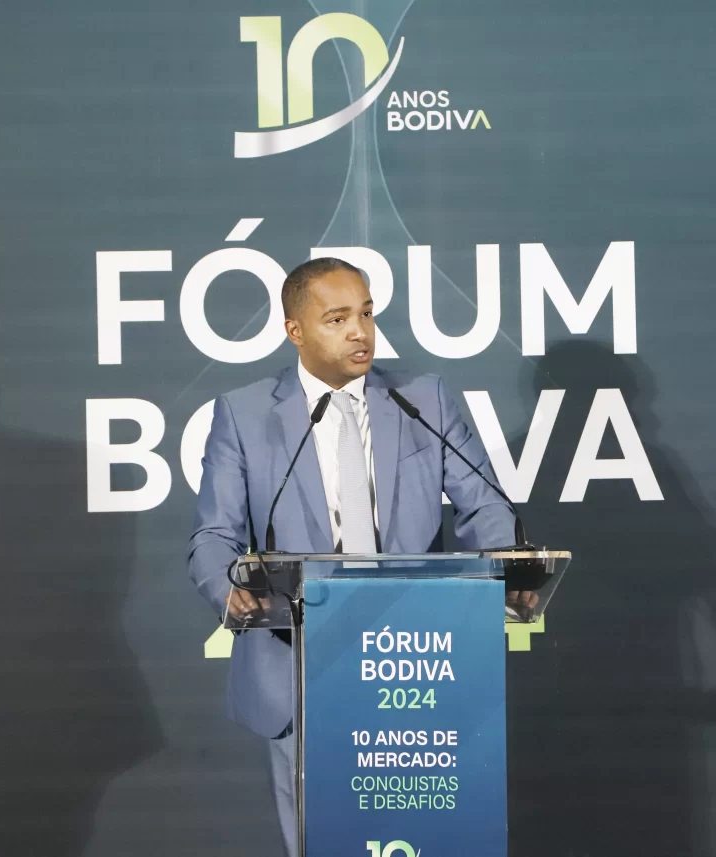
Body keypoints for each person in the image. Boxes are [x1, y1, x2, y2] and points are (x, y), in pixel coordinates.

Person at [188, 257, 518, 856]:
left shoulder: (423, 400)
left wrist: (507, 562)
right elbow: (214, 534)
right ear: (295, 331)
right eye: (337, 319)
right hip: (300, 661)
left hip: (415, 660)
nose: (360, 332)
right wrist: (228, 589)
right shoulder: (244, 414)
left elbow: (485, 504)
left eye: (366, 314)